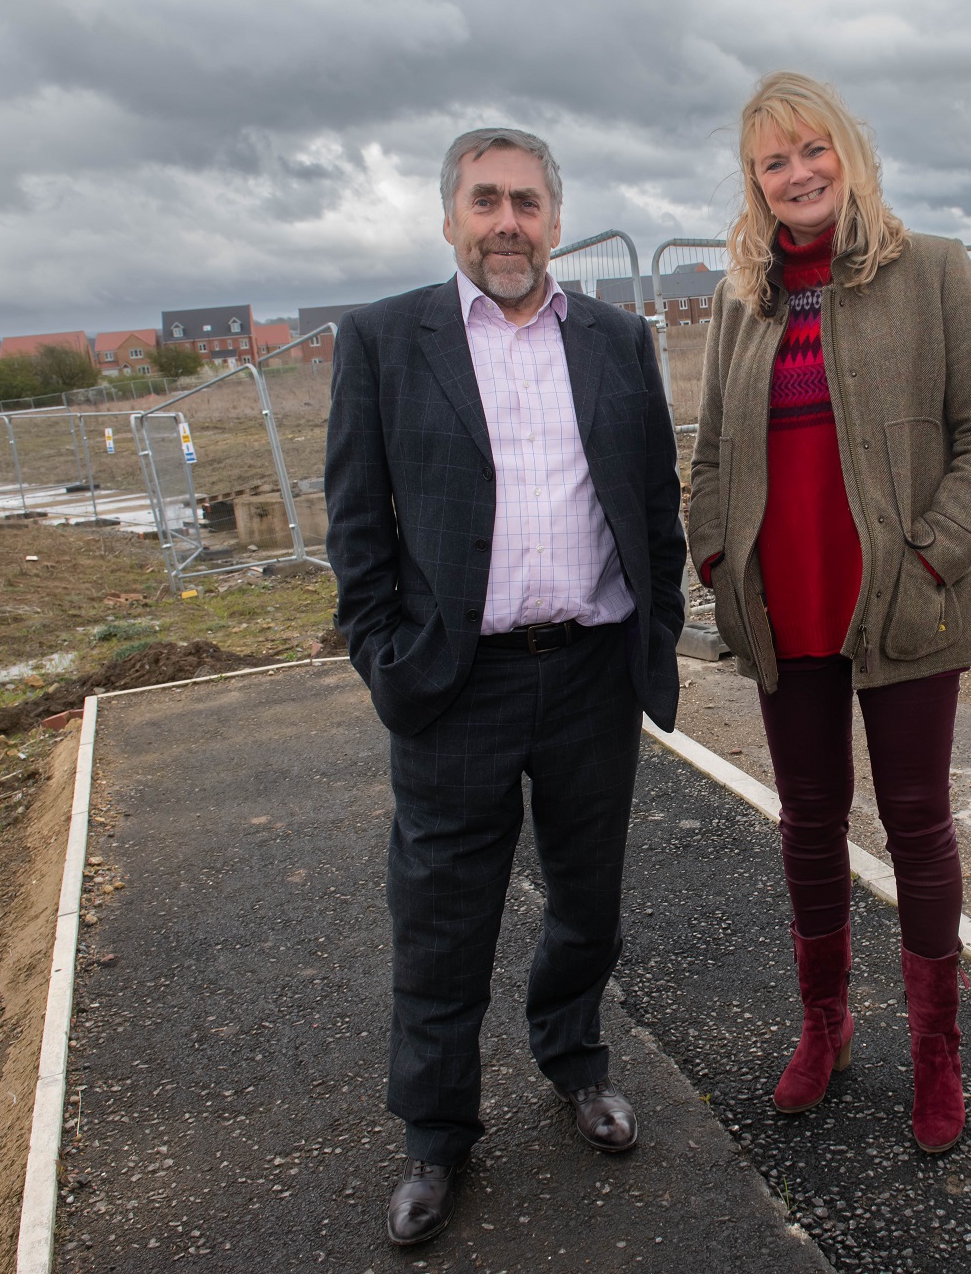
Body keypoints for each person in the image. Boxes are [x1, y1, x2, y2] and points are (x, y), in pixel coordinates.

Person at [324, 126, 686, 1246]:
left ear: (555, 219)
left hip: (588, 675)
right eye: (484, 200)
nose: (507, 222)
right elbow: (354, 524)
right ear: (450, 218)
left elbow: (655, 505)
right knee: (441, 920)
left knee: (587, 900)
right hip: (454, 683)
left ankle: (574, 1063)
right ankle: (435, 1134)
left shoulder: (620, 341)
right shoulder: (386, 340)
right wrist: (387, 654)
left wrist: (652, 630)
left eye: (526, 201)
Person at [686, 72, 971, 1155]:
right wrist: (714, 560)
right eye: (772, 161)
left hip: (902, 607)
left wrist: (928, 559)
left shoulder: (930, 272)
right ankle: (823, 1027)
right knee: (807, 826)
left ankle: (937, 1055)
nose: (796, 173)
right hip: (785, 615)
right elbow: (708, 458)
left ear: (849, 153)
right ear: (754, 183)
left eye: (810, 149)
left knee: (917, 826)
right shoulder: (744, 303)